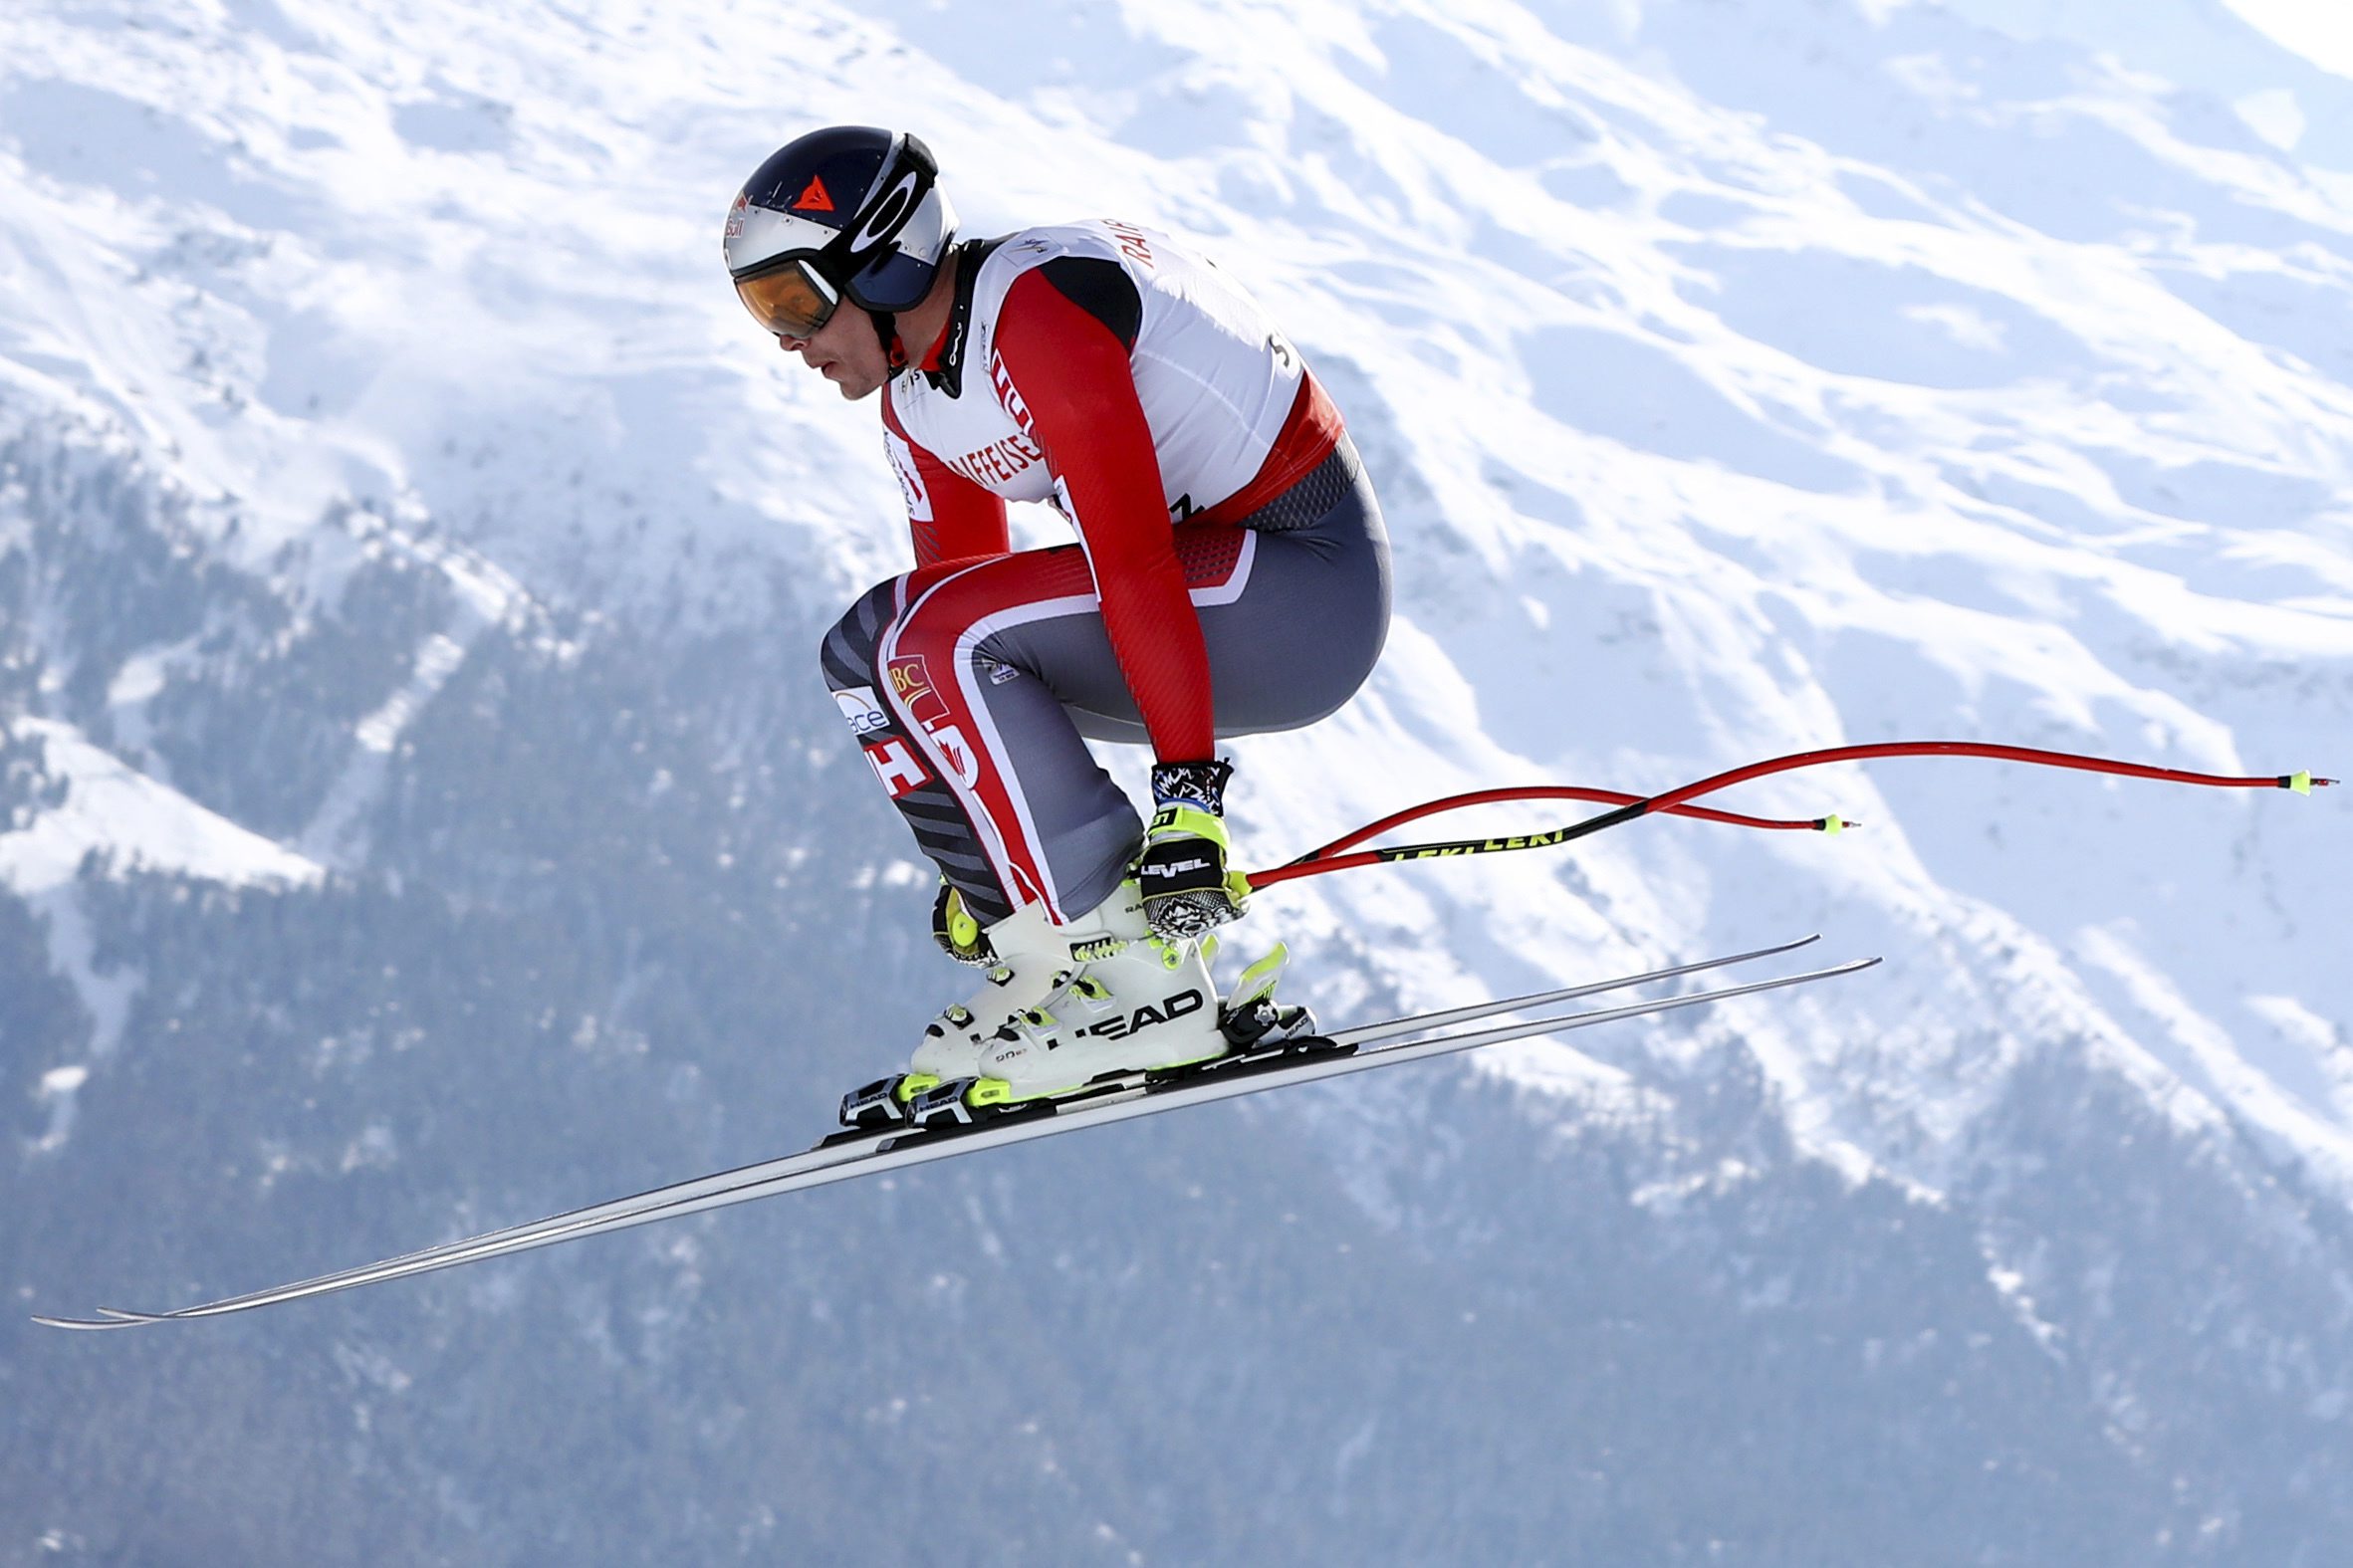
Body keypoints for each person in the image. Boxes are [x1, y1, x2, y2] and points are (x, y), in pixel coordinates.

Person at [723, 125, 1391, 1111]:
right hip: (1209, 603)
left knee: (921, 636)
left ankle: (1144, 987)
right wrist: (994, 862)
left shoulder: (1034, 315)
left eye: (793, 301)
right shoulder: (916, 401)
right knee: (869, 654)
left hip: (1300, 589)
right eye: (760, 310)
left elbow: (1129, 561)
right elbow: (951, 627)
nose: (787, 341)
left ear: (882, 263)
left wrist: (1188, 801)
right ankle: (1051, 964)